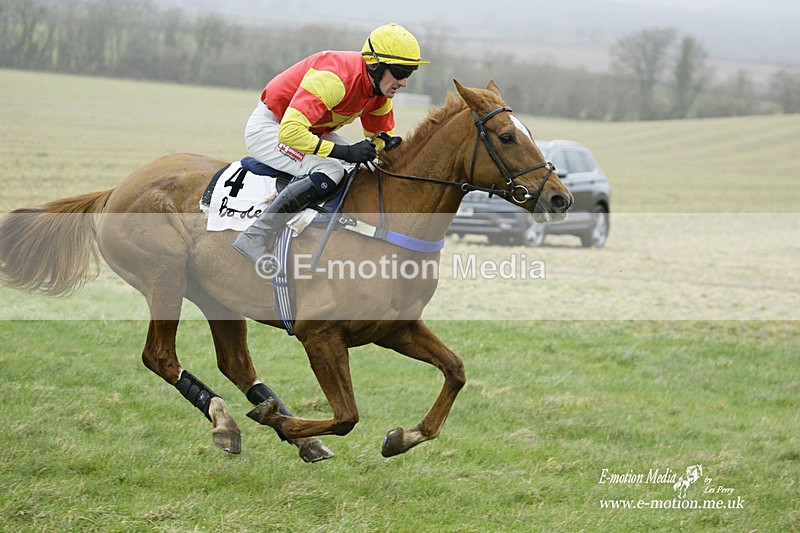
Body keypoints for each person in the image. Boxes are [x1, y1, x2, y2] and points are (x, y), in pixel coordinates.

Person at [233, 23, 430, 263]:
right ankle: (256, 235)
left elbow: (379, 139)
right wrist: (346, 152)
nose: (404, 82)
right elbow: (290, 133)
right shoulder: (335, 79)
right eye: (400, 72)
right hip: (273, 126)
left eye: (409, 73)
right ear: (375, 65)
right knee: (331, 169)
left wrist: (383, 147)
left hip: (310, 129)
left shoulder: (378, 93)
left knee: (365, 168)